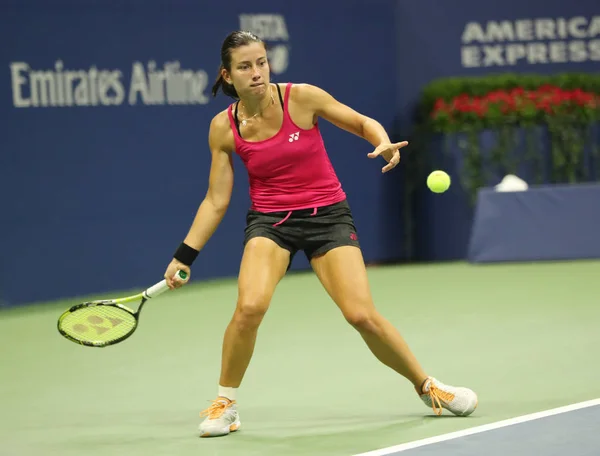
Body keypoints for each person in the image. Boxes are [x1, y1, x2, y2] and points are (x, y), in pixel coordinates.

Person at [163, 30, 478, 438]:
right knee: (249, 308)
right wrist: (184, 256)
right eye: (245, 66)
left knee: (360, 314)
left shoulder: (302, 97)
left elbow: (362, 122)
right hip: (271, 223)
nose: (256, 72)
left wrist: (381, 141)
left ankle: (427, 387)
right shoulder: (223, 129)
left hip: (328, 216)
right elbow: (216, 201)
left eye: (261, 62)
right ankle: (226, 404)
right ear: (227, 75)